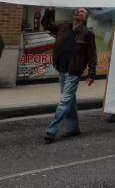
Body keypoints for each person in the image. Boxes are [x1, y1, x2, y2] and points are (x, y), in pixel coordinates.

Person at [42, 8, 97, 143]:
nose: (79, 12)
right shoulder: (63, 27)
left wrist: (91, 73)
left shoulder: (87, 33)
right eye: (77, 11)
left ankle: (51, 131)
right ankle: (73, 128)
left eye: (82, 12)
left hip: (74, 71)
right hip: (61, 69)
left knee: (64, 100)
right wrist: (49, 11)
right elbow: (46, 24)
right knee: (69, 99)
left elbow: (92, 54)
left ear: (85, 17)